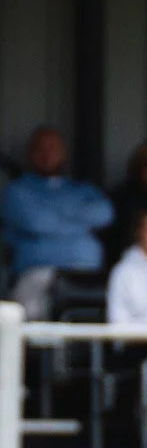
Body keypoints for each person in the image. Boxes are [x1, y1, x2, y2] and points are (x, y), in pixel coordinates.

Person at [1, 125, 116, 318]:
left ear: (63, 153)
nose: (47, 154)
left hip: (85, 275)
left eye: (53, 148)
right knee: (32, 322)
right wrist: (81, 225)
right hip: (38, 274)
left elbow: (105, 215)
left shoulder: (82, 189)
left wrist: (55, 213)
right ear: (30, 154)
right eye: (40, 149)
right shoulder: (17, 191)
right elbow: (37, 222)